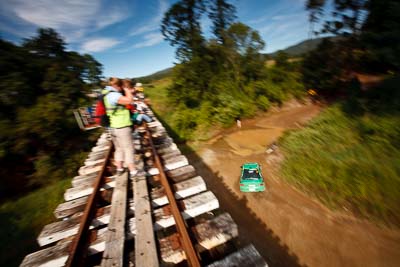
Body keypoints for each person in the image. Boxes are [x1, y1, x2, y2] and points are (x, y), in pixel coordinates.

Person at [103, 77, 138, 176]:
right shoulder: (113, 95)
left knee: (119, 148)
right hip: (122, 126)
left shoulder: (107, 93)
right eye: (121, 86)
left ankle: (119, 168)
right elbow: (129, 101)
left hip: (114, 126)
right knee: (128, 148)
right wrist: (127, 89)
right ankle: (133, 171)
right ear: (118, 86)